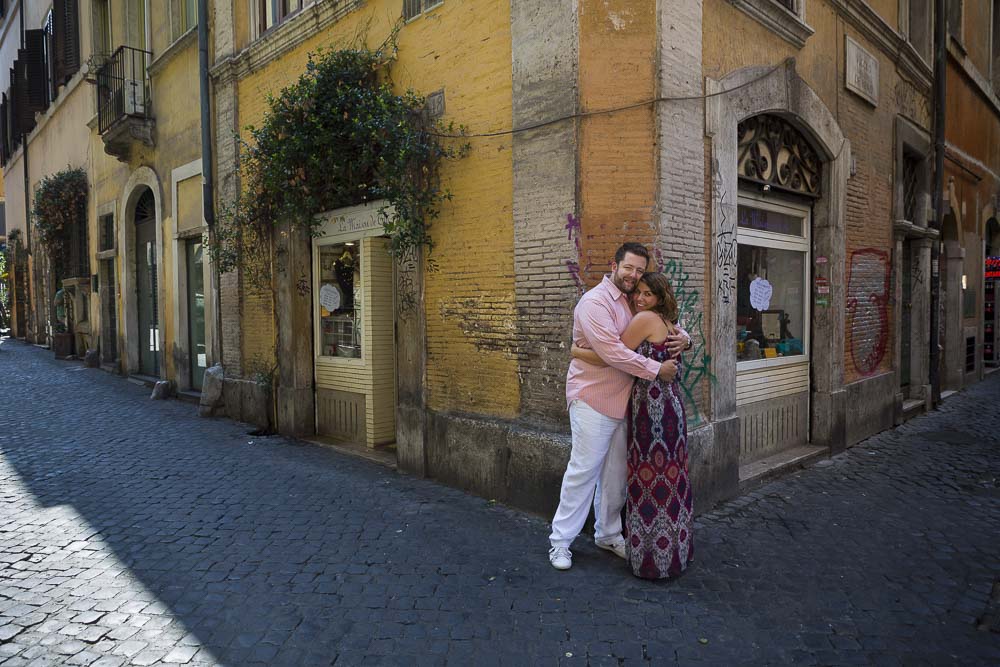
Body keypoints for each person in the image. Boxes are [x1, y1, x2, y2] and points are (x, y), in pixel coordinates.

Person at [549, 243, 689, 571]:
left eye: (640, 271)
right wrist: (656, 369)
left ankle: (608, 533)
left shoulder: (632, 300)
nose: (634, 276)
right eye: (629, 268)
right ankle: (560, 541)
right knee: (583, 471)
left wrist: (687, 339)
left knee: (614, 476)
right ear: (614, 265)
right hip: (594, 399)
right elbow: (615, 354)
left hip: (627, 403)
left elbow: (665, 325)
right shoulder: (594, 303)